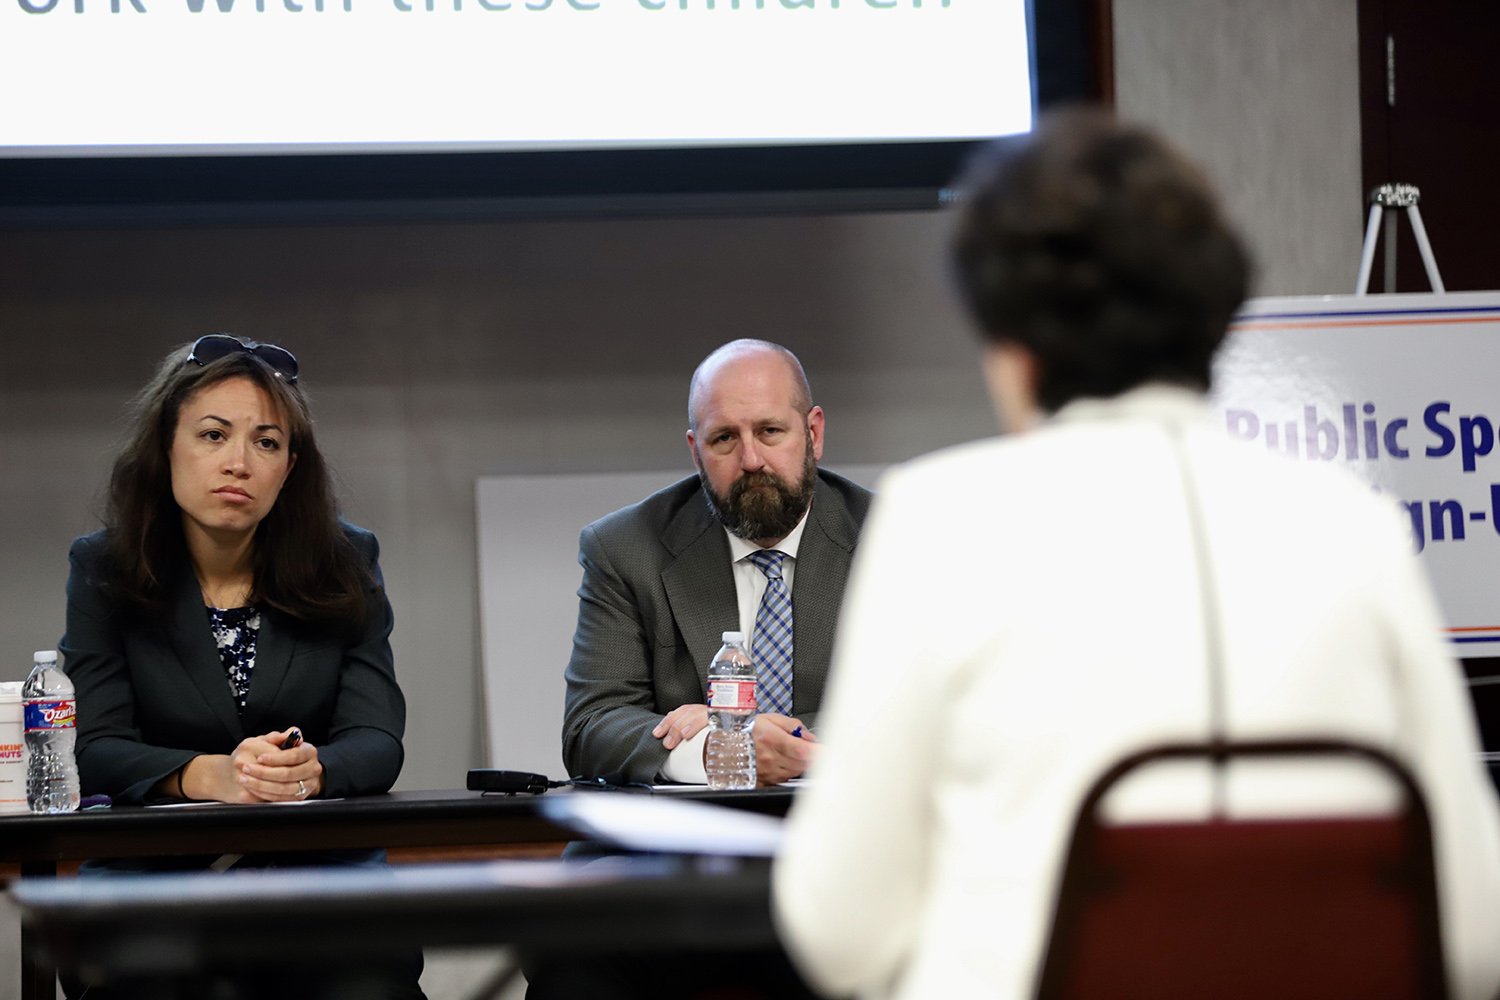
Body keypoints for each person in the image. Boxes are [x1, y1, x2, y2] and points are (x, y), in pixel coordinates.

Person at [773, 110, 1500, 1000]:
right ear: (1216, 315)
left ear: (1010, 346)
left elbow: (840, 932)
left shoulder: (937, 520)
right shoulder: (1360, 527)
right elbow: (1473, 930)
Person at [59, 333, 423, 998]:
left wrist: (311, 772)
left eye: (267, 441)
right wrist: (212, 775)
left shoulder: (347, 559)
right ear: (165, 447)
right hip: (153, 877)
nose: (239, 462)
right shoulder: (103, 568)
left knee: (368, 982)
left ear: (290, 468)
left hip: (320, 874)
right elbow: (92, 746)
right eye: (213, 435)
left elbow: (377, 740)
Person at [561, 338, 872, 785]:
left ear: (814, 434)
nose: (750, 460)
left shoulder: (894, 539)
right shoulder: (624, 548)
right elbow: (590, 727)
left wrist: (762, 738)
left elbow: (932, 710)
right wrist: (715, 748)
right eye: (724, 438)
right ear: (695, 451)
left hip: (855, 829)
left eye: (769, 431)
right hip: (687, 841)